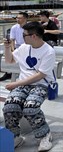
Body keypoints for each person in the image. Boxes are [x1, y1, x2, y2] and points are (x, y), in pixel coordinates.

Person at [2, 22, 55, 151]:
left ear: (34, 36)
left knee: (30, 107)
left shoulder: (48, 51)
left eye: (24, 35)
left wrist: (16, 84)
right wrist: (7, 48)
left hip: (41, 85)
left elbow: (41, 75)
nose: (22, 37)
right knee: (9, 106)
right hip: (24, 85)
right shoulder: (25, 47)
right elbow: (10, 60)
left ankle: (44, 135)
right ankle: (14, 137)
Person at [0, 12, 28, 81]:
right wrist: (12, 50)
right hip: (17, 46)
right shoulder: (14, 27)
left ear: (25, 19)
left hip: (27, 46)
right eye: (17, 18)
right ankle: (8, 73)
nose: (17, 19)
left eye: (19, 18)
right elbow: (12, 40)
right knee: (10, 55)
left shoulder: (30, 27)